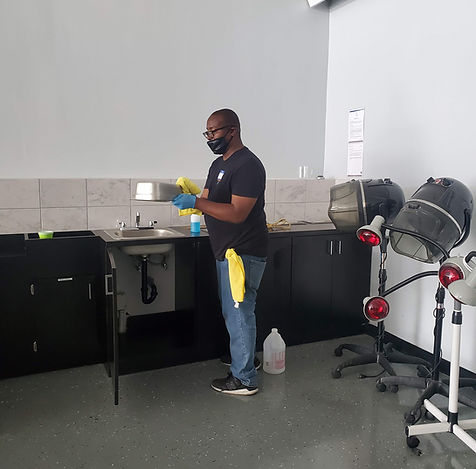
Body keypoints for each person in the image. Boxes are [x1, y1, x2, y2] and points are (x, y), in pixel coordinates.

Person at [172, 109, 268, 395]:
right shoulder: (218, 165)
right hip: (226, 251)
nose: (210, 138)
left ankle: (244, 379)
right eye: (208, 133)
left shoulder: (248, 165)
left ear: (232, 130)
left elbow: (238, 213)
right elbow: (208, 200)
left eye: (213, 132)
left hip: (243, 252)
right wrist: (193, 197)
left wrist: (198, 204)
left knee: (240, 312)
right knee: (234, 311)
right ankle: (245, 360)